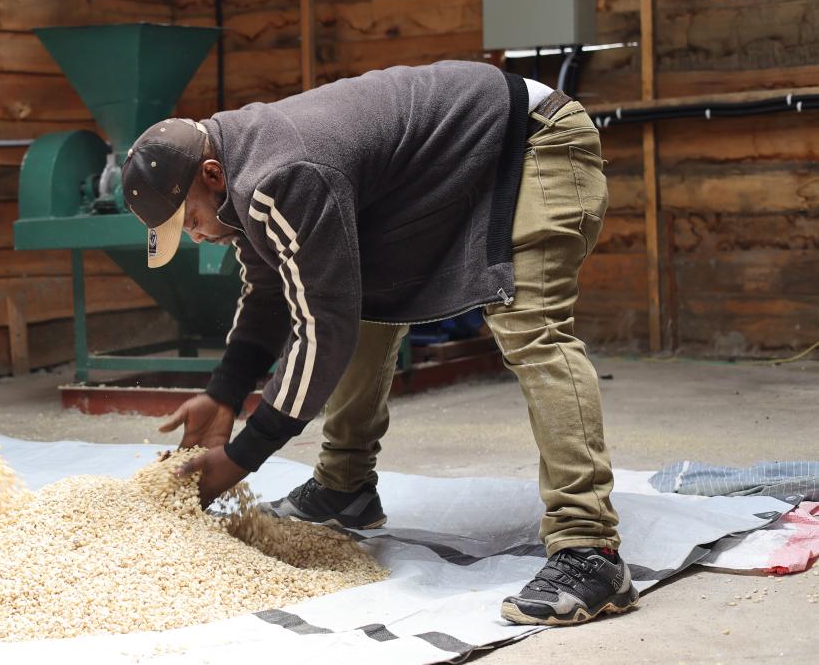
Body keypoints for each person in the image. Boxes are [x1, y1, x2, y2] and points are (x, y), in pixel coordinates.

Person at [124, 61, 638, 627]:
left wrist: (243, 457)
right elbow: (273, 292)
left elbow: (322, 327)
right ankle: (344, 487)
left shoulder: (277, 175)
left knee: (530, 326)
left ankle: (590, 548)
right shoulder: (239, 176)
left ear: (214, 175)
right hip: (446, 171)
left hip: (532, 139)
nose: (196, 235)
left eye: (191, 220)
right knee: (362, 308)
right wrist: (222, 396)